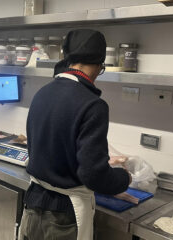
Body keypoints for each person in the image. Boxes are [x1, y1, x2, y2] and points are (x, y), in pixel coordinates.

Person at [18, 29, 132, 240]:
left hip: (33, 202)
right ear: (99, 66)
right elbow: (92, 174)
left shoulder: (43, 93)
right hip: (64, 215)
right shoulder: (92, 105)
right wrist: (122, 178)